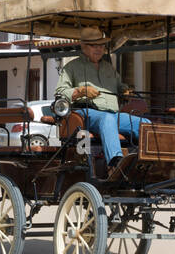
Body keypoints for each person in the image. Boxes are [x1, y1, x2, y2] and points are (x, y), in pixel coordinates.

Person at [54, 26, 149, 172]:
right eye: (94, 46)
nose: (99, 49)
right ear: (84, 46)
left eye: (101, 45)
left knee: (145, 123)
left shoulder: (108, 68)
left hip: (113, 114)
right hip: (86, 113)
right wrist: (81, 91)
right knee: (107, 119)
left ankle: (147, 161)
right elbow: (60, 92)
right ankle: (116, 162)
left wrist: (125, 91)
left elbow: (120, 86)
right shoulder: (71, 67)